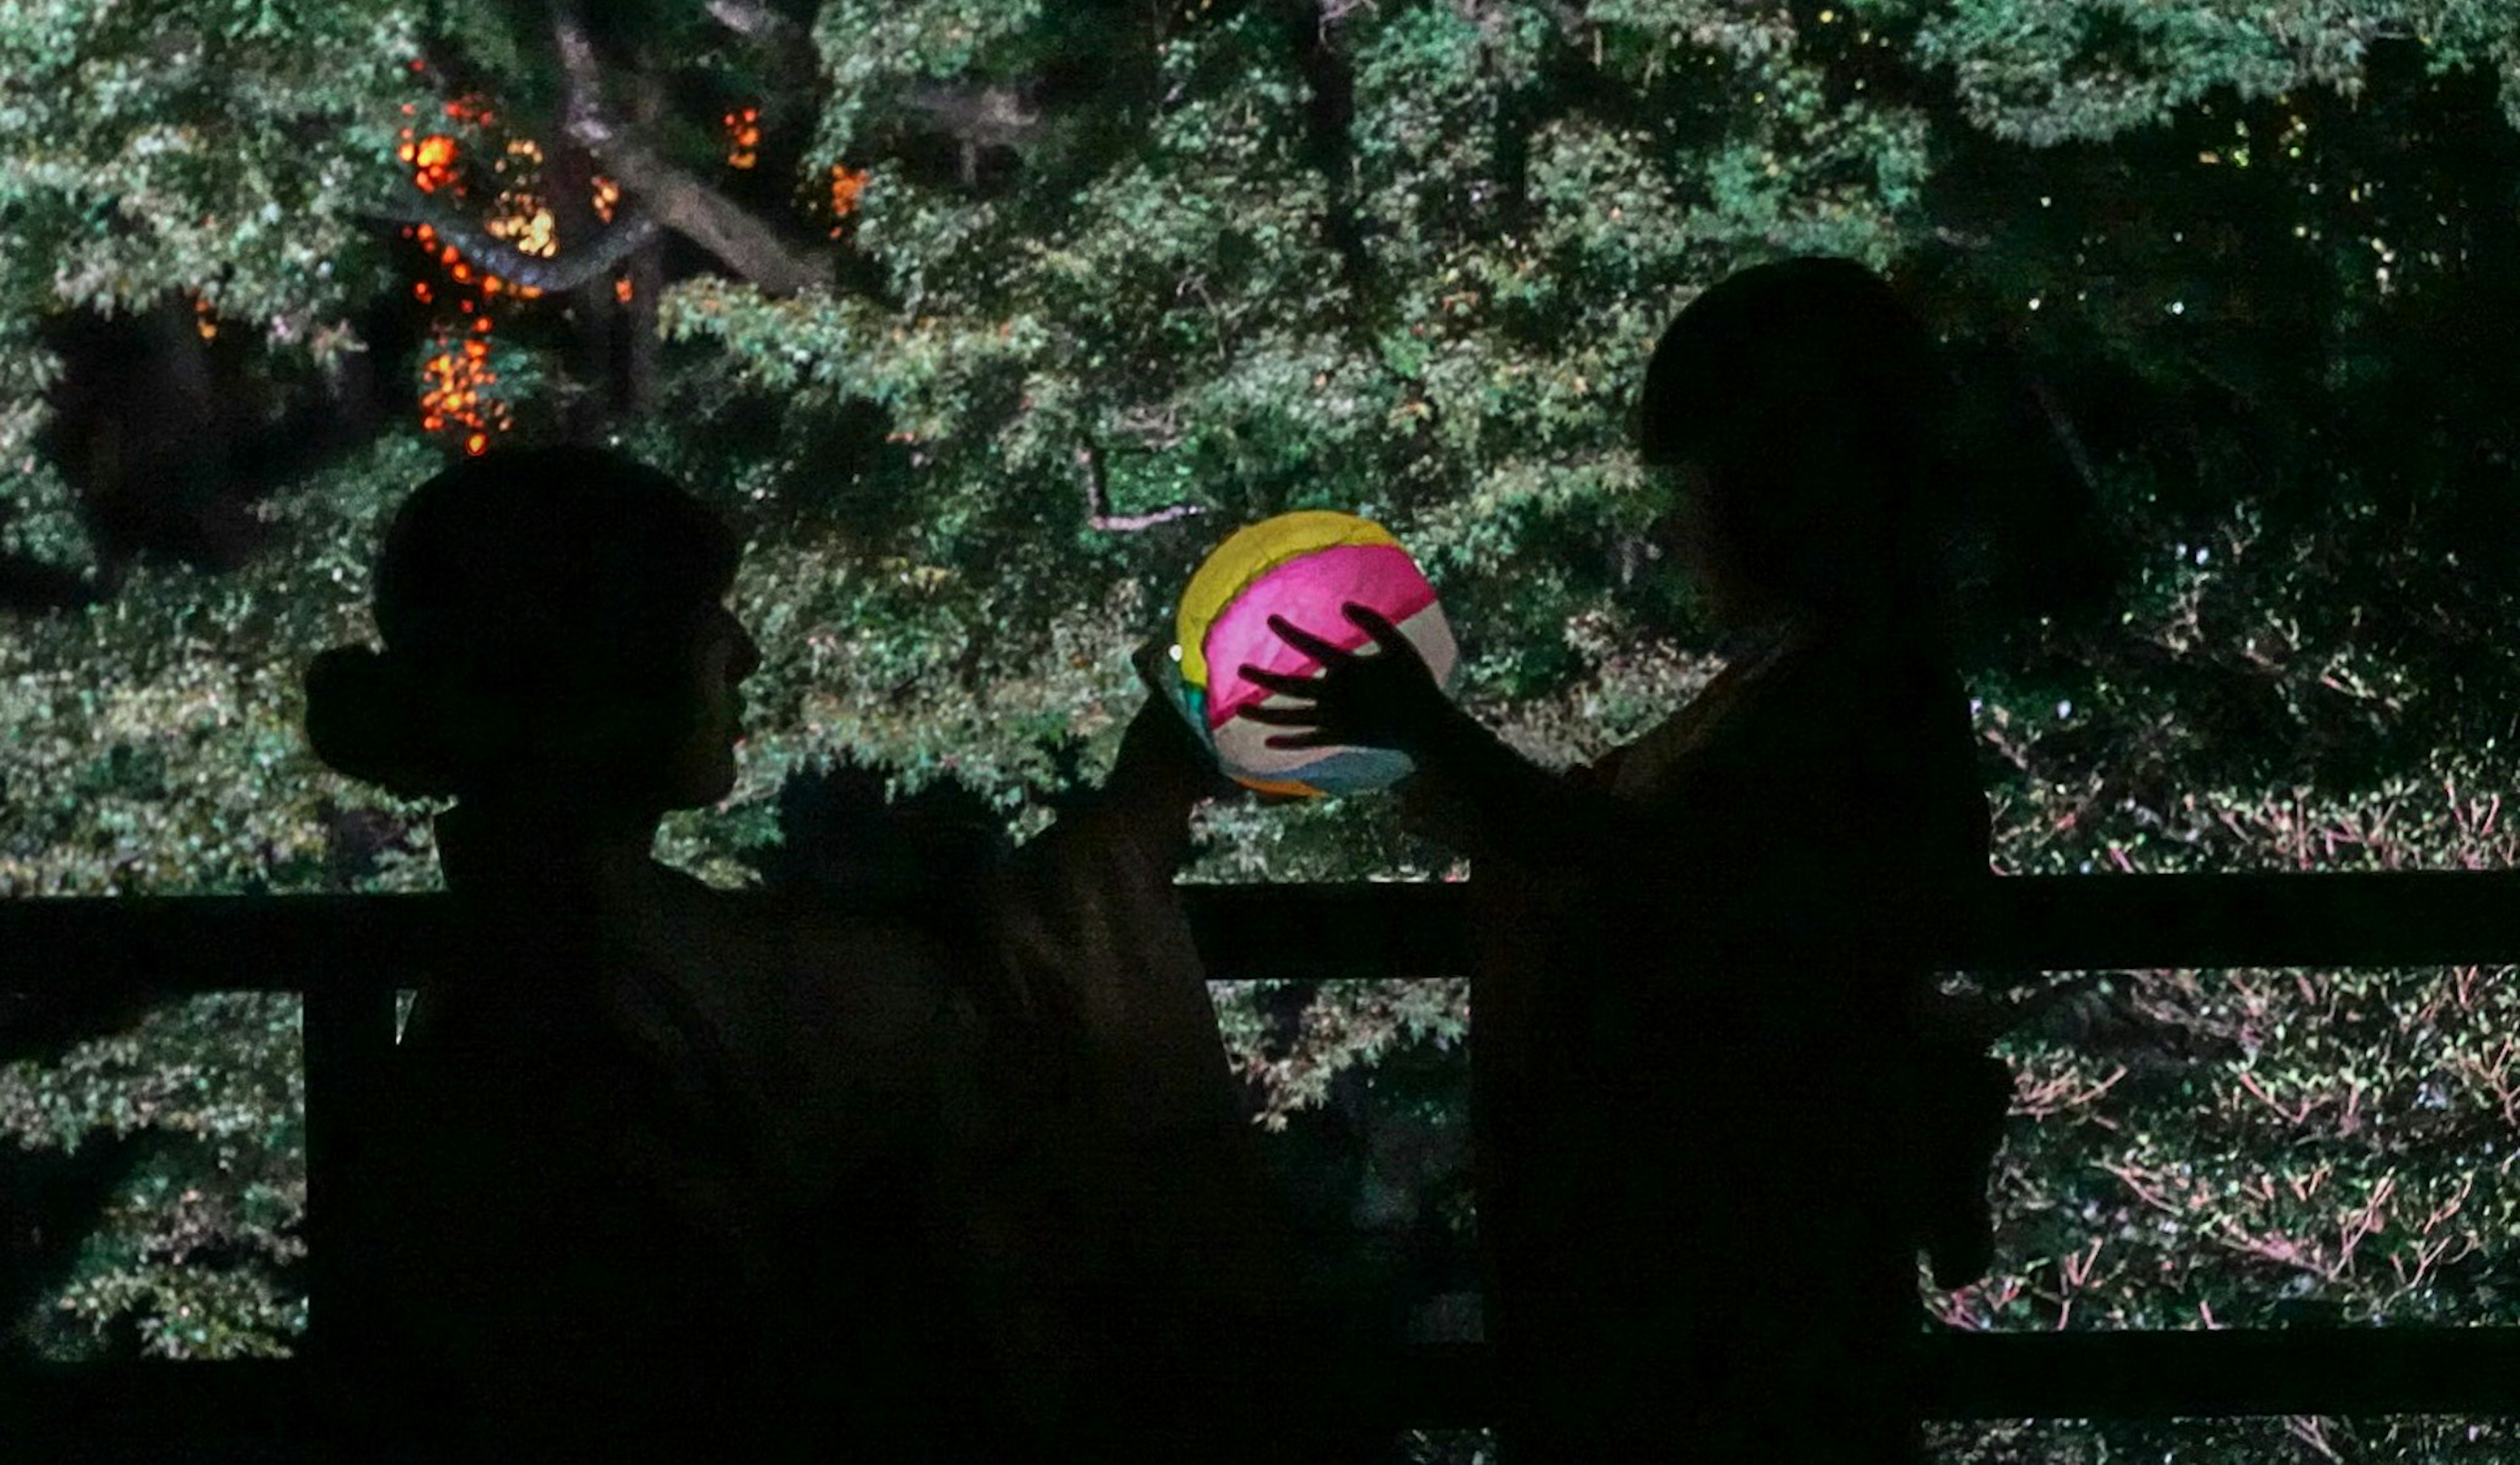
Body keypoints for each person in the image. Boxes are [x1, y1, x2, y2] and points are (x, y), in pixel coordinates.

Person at [303, 443, 1382, 1462]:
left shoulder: (567, 953)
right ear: (595, 664)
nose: (745, 650)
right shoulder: (566, 1011)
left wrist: (1140, 810)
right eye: (697, 616)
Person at [1239, 258, 2017, 1463]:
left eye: (1702, 477)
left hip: (1723, 1263)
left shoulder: (1855, 697)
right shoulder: (1821, 679)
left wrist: (1435, 737)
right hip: (1712, 1254)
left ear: (1785, 476)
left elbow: (1665, 878)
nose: (1686, 519)